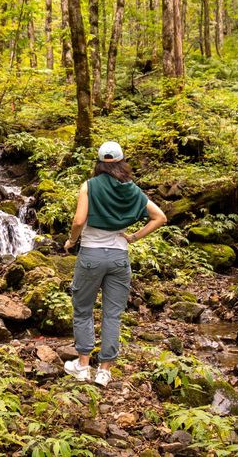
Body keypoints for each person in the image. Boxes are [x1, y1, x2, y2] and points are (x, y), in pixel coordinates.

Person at [62, 141, 167, 386]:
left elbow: (78, 221)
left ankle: (83, 365)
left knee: (83, 309)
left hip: (91, 256)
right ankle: (104, 371)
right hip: (119, 257)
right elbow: (160, 217)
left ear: (99, 163)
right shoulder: (132, 190)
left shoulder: (89, 185)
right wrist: (133, 237)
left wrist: (70, 241)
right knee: (112, 314)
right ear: (122, 162)